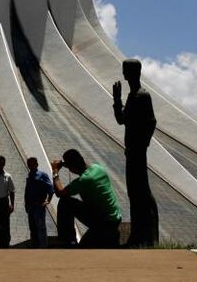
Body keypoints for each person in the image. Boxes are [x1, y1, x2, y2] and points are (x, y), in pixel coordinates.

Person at [113, 58, 159, 247]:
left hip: (137, 151)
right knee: (134, 192)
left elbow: (151, 122)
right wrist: (117, 100)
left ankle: (147, 236)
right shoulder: (132, 96)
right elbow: (121, 120)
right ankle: (138, 234)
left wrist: (142, 144)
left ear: (134, 72)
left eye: (126, 70)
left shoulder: (142, 96)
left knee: (141, 192)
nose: (124, 74)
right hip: (131, 151)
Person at [51, 149, 122, 248]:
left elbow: (60, 193)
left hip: (104, 222)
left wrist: (55, 172)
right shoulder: (98, 168)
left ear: (72, 168)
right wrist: (66, 164)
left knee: (65, 202)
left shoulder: (84, 180)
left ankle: (68, 240)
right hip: (114, 218)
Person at [23, 157, 53, 248]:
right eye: (29, 164)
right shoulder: (29, 176)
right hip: (30, 205)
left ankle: (43, 247)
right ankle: (34, 246)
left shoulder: (42, 175)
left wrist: (48, 200)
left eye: (32, 163)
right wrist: (26, 204)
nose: (30, 165)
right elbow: (27, 191)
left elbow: (50, 188)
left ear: (37, 164)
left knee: (41, 227)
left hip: (39, 205)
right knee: (32, 227)